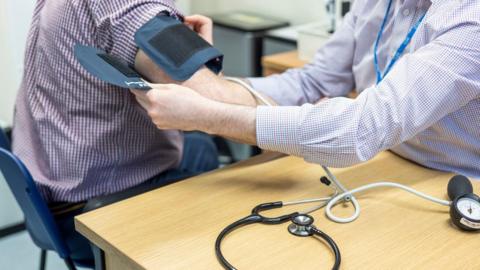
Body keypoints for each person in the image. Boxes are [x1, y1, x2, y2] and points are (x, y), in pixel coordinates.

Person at [133, 0, 480, 179]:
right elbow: (313, 83)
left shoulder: (469, 22)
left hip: (454, 184)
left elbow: (359, 129)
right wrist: (212, 87)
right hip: (383, 163)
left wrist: (209, 117)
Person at [12, 0, 218, 264]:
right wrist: (210, 68)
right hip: (90, 211)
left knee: (200, 146)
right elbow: (209, 97)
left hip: (45, 196)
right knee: (231, 194)